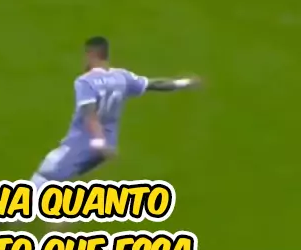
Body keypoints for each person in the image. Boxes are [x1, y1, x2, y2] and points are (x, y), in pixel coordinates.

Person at [31, 36, 201, 189]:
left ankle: (19, 210)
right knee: (63, 178)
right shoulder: (122, 77)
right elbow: (154, 84)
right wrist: (184, 83)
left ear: (91, 55)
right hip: (106, 148)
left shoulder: (85, 82)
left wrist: (99, 143)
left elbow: (90, 115)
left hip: (85, 144)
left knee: (46, 174)